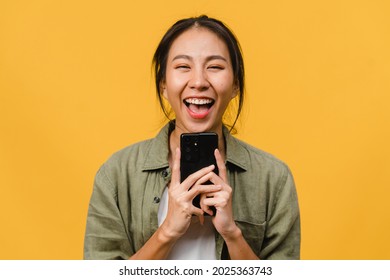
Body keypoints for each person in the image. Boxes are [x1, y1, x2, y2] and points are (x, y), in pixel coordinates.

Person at [84, 15, 300, 260]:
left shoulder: (273, 179)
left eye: (215, 67)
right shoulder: (116, 174)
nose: (198, 82)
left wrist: (232, 233)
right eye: (183, 67)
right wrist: (168, 232)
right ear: (163, 84)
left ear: (236, 85)